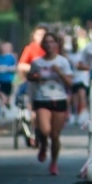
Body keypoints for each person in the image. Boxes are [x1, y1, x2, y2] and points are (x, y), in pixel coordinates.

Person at [27, 32, 73, 176]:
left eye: (52, 42)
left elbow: (70, 83)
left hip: (59, 98)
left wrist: (59, 72)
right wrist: (36, 77)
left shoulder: (62, 62)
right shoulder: (37, 62)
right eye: (46, 42)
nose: (49, 45)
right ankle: (43, 145)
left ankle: (53, 163)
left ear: (56, 44)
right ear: (42, 45)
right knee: (45, 130)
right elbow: (29, 78)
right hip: (42, 99)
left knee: (55, 134)